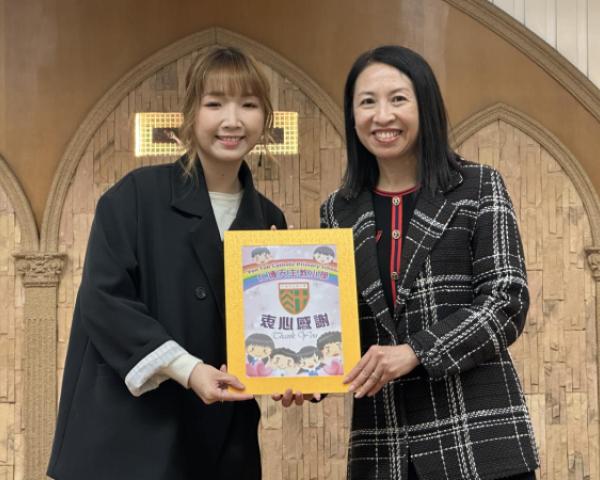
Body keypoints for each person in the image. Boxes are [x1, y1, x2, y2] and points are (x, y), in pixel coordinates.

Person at [47, 47, 286, 480]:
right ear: (191, 113)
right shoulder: (135, 196)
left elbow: (272, 329)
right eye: (215, 104)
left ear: (265, 118)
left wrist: (293, 374)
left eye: (249, 105)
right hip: (129, 440)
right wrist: (188, 370)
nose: (232, 120)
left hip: (222, 447)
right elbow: (104, 300)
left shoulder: (269, 220)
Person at [320, 45, 539, 479]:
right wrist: (305, 377)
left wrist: (416, 351)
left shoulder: (477, 185)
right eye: (367, 102)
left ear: (426, 106)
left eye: (398, 99)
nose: (382, 116)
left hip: (477, 441)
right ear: (352, 115)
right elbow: (338, 325)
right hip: (382, 449)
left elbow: (506, 301)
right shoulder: (337, 211)